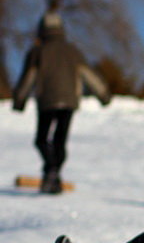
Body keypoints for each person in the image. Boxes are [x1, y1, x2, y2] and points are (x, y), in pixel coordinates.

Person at [12, 12, 112, 194]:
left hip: (47, 100)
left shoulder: (37, 52)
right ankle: (54, 176)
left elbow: (28, 78)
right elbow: (88, 74)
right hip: (69, 101)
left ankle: (51, 171)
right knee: (60, 140)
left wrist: (19, 100)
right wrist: (103, 94)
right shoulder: (72, 50)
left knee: (41, 140)